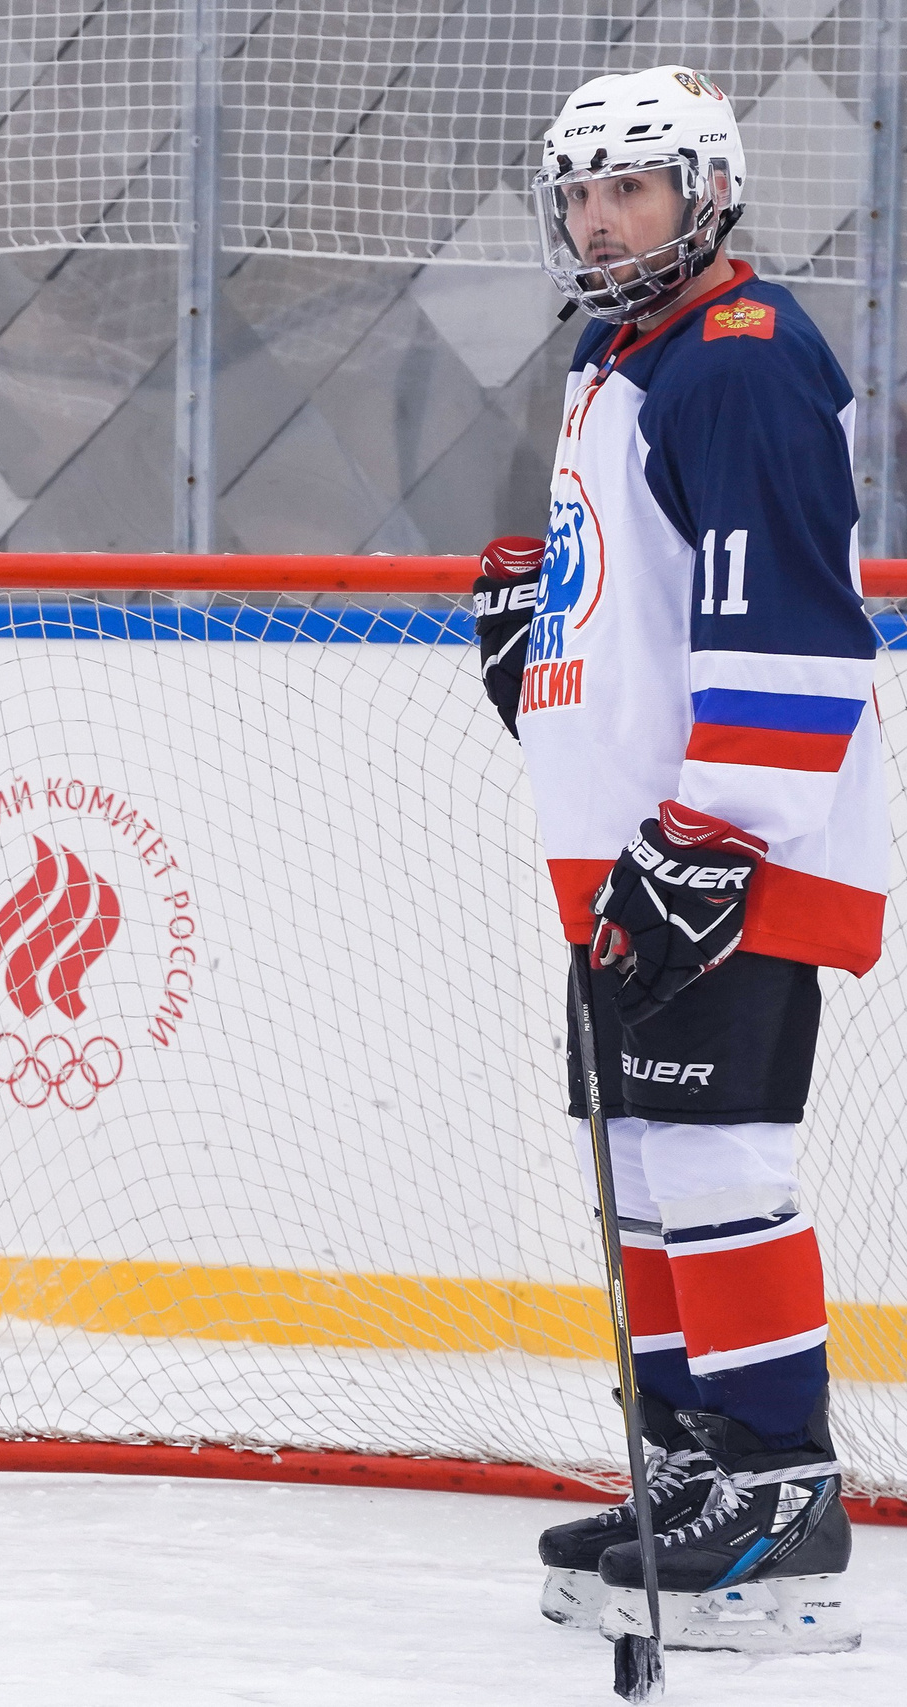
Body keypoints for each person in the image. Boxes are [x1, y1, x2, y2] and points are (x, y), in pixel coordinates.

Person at [471, 66, 879, 1654]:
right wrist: (543, 639)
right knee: (646, 1171)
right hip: (638, 857)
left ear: (707, 191)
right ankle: (696, 1465)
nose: (596, 215)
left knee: (719, 1169)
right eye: (576, 190)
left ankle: (782, 1503)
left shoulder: (741, 361)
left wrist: (711, 837)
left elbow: (788, 626)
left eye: (627, 185)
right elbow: (644, 612)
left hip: (726, 852)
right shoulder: (616, 353)